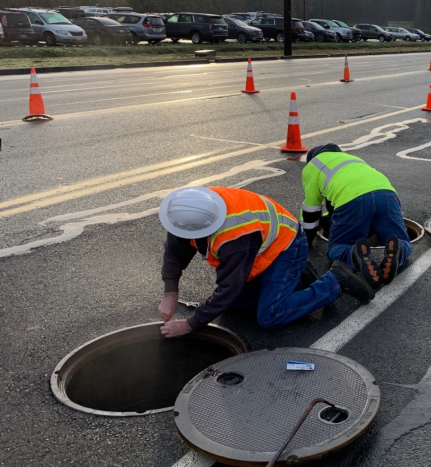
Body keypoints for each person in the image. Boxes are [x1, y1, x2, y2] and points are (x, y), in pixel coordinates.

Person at [157, 185, 374, 338]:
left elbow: (229, 287)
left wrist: (189, 325)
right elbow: (175, 252)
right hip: (262, 244)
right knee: (232, 304)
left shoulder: (234, 236)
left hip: (288, 244)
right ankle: (297, 279)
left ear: (204, 228)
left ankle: (335, 281)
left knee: (270, 315)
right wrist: (170, 294)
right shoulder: (190, 209)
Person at [302, 144, 412, 289]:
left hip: (353, 200)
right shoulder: (350, 158)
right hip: (387, 194)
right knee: (402, 240)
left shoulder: (312, 166)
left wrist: (306, 241)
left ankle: (353, 254)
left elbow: (311, 211)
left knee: (337, 248)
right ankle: (400, 250)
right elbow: (333, 204)